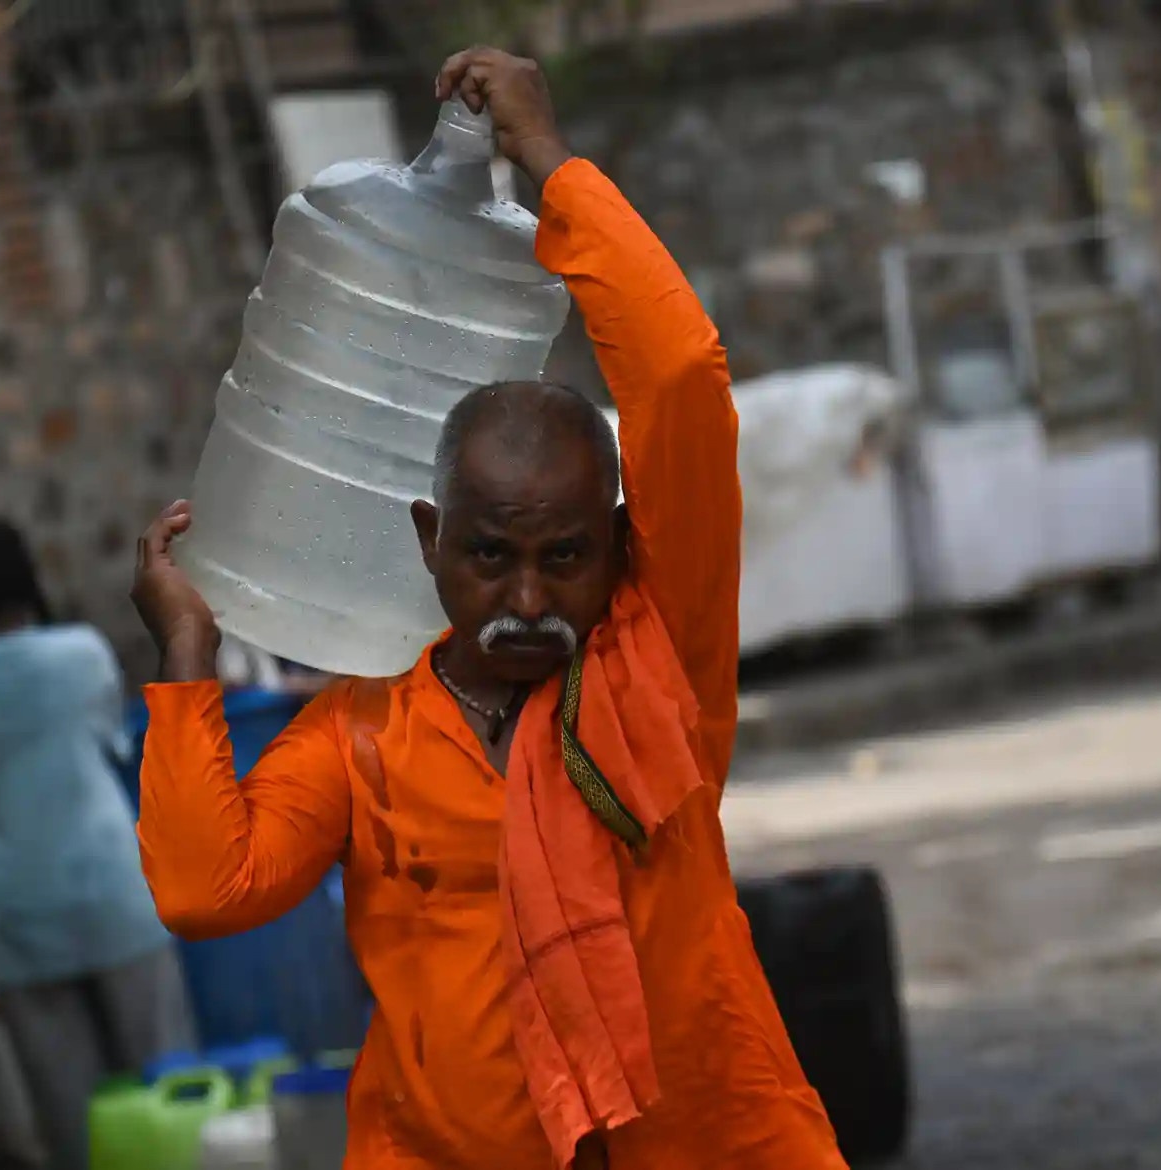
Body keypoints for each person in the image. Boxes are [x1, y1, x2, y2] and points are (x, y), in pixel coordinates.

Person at [132, 48, 846, 1170]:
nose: (524, 600)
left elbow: (680, 382)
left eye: (564, 556)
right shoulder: (363, 739)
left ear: (618, 547)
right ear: (426, 542)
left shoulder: (658, 662)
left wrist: (552, 166)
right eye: (486, 555)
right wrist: (185, 653)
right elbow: (203, 888)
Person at [0, 517, 195, 1170]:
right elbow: (110, 742)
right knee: (169, 1088)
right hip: (112, 892)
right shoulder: (83, 653)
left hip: (19, 910)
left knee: (73, 1118)